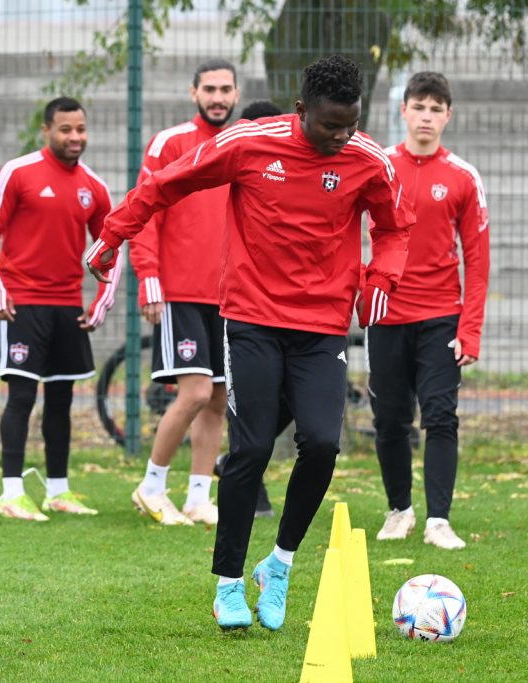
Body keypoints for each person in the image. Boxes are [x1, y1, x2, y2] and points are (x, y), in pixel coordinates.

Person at [86, 55, 414, 631]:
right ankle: (229, 584)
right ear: (301, 110)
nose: (342, 137)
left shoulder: (368, 159)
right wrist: (114, 233)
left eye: (351, 124)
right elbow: (166, 184)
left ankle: (279, 565)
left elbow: (393, 228)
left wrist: (381, 279)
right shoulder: (249, 143)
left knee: (322, 443)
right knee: (253, 447)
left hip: (322, 326)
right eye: (330, 126)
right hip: (252, 319)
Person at [0, 97, 120, 522]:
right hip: (22, 305)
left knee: (61, 400)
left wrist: (102, 299)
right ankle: (12, 493)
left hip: (68, 307)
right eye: (65, 129)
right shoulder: (18, 172)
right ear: (47, 130)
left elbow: (112, 243)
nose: (75, 137)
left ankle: (57, 491)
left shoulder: (94, 186)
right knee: (21, 396)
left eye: (81, 129)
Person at [372, 72, 490, 550]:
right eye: (418, 107)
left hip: (441, 317)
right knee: (390, 421)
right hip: (386, 315)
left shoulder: (463, 176)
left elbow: (478, 260)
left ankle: (438, 520)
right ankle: (399, 510)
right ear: (403, 111)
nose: (426, 116)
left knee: (441, 417)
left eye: (435, 109)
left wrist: (471, 328)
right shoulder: (379, 166)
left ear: (448, 116)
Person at [128, 59, 240, 527]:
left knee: (218, 398)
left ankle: (198, 496)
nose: (218, 97)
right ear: (194, 92)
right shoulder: (169, 143)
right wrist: (148, 276)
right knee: (194, 392)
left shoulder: (242, 145)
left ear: (236, 94)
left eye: (225, 89)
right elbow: (144, 209)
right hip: (180, 291)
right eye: (209, 89)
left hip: (230, 295)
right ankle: (152, 487)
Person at [212, 98, 284, 520]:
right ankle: (247, 488)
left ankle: (232, 462)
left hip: (294, 311)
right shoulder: (231, 165)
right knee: (243, 401)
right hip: (239, 305)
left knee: (300, 403)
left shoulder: (297, 172)